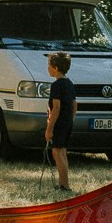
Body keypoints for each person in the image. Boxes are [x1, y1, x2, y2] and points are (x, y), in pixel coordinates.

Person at [44, 51, 76, 192]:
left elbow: (56, 108)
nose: (47, 68)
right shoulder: (69, 83)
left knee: (57, 152)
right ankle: (64, 183)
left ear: (55, 68)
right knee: (62, 152)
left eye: (49, 65)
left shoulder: (56, 85)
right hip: (67, 122)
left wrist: (49, 128)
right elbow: (75, 105)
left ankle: (64, 186)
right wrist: (70, 119)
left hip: (59, 123)